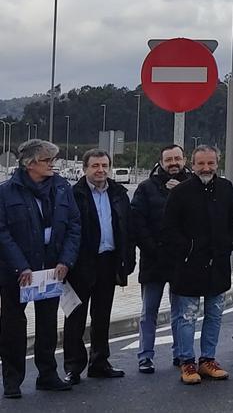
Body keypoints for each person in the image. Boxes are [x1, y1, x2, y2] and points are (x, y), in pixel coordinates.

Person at [0, 139, 80, 398]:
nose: (53, 165)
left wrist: (65, 261)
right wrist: (21, 266)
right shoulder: (6, 192)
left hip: (51, 269)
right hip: (17, 272)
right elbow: (2, 233)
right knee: (13, 327)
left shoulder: (61, 188)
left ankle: (47, 374)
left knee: (47, 324)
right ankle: (12, 381)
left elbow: (74, 226)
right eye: (47, 160)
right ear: (30, 163)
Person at [164, 145, 233, 385]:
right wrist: (188, 250)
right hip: (188, 266)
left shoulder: (226, 188)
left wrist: (227, 245)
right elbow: (169, 229)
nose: (206, 168)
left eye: (211, 163)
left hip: (218, 264)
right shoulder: (181, 192)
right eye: (201, 164)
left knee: (215, 314)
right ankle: (187, 362)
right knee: (187, 316)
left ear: (218, 163)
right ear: (192, 165)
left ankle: (208, 360)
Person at [64, 149, 135, 383]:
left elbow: (127, 228)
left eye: (104, 165)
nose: (100, 170)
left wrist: (128, 259)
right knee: (75, 316)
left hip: (109, 260)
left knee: (102, 315)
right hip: (81, 264)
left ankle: (99, 362)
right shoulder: (74, 194)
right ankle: (74, 367)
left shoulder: (118, 193)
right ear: (84, 169)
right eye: (95, 165)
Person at [130, 144, 190, 373]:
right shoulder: (146, 188)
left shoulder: (193, 186)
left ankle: (180, 354)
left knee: (180, 311)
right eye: (169, 160)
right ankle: (145, 356)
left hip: (181, 261)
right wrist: (152, 248)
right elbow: (137, 221)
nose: (173, 163)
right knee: (149, 311)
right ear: (161, 162)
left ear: (184, 160)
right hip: (153, 259)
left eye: (177, 158)